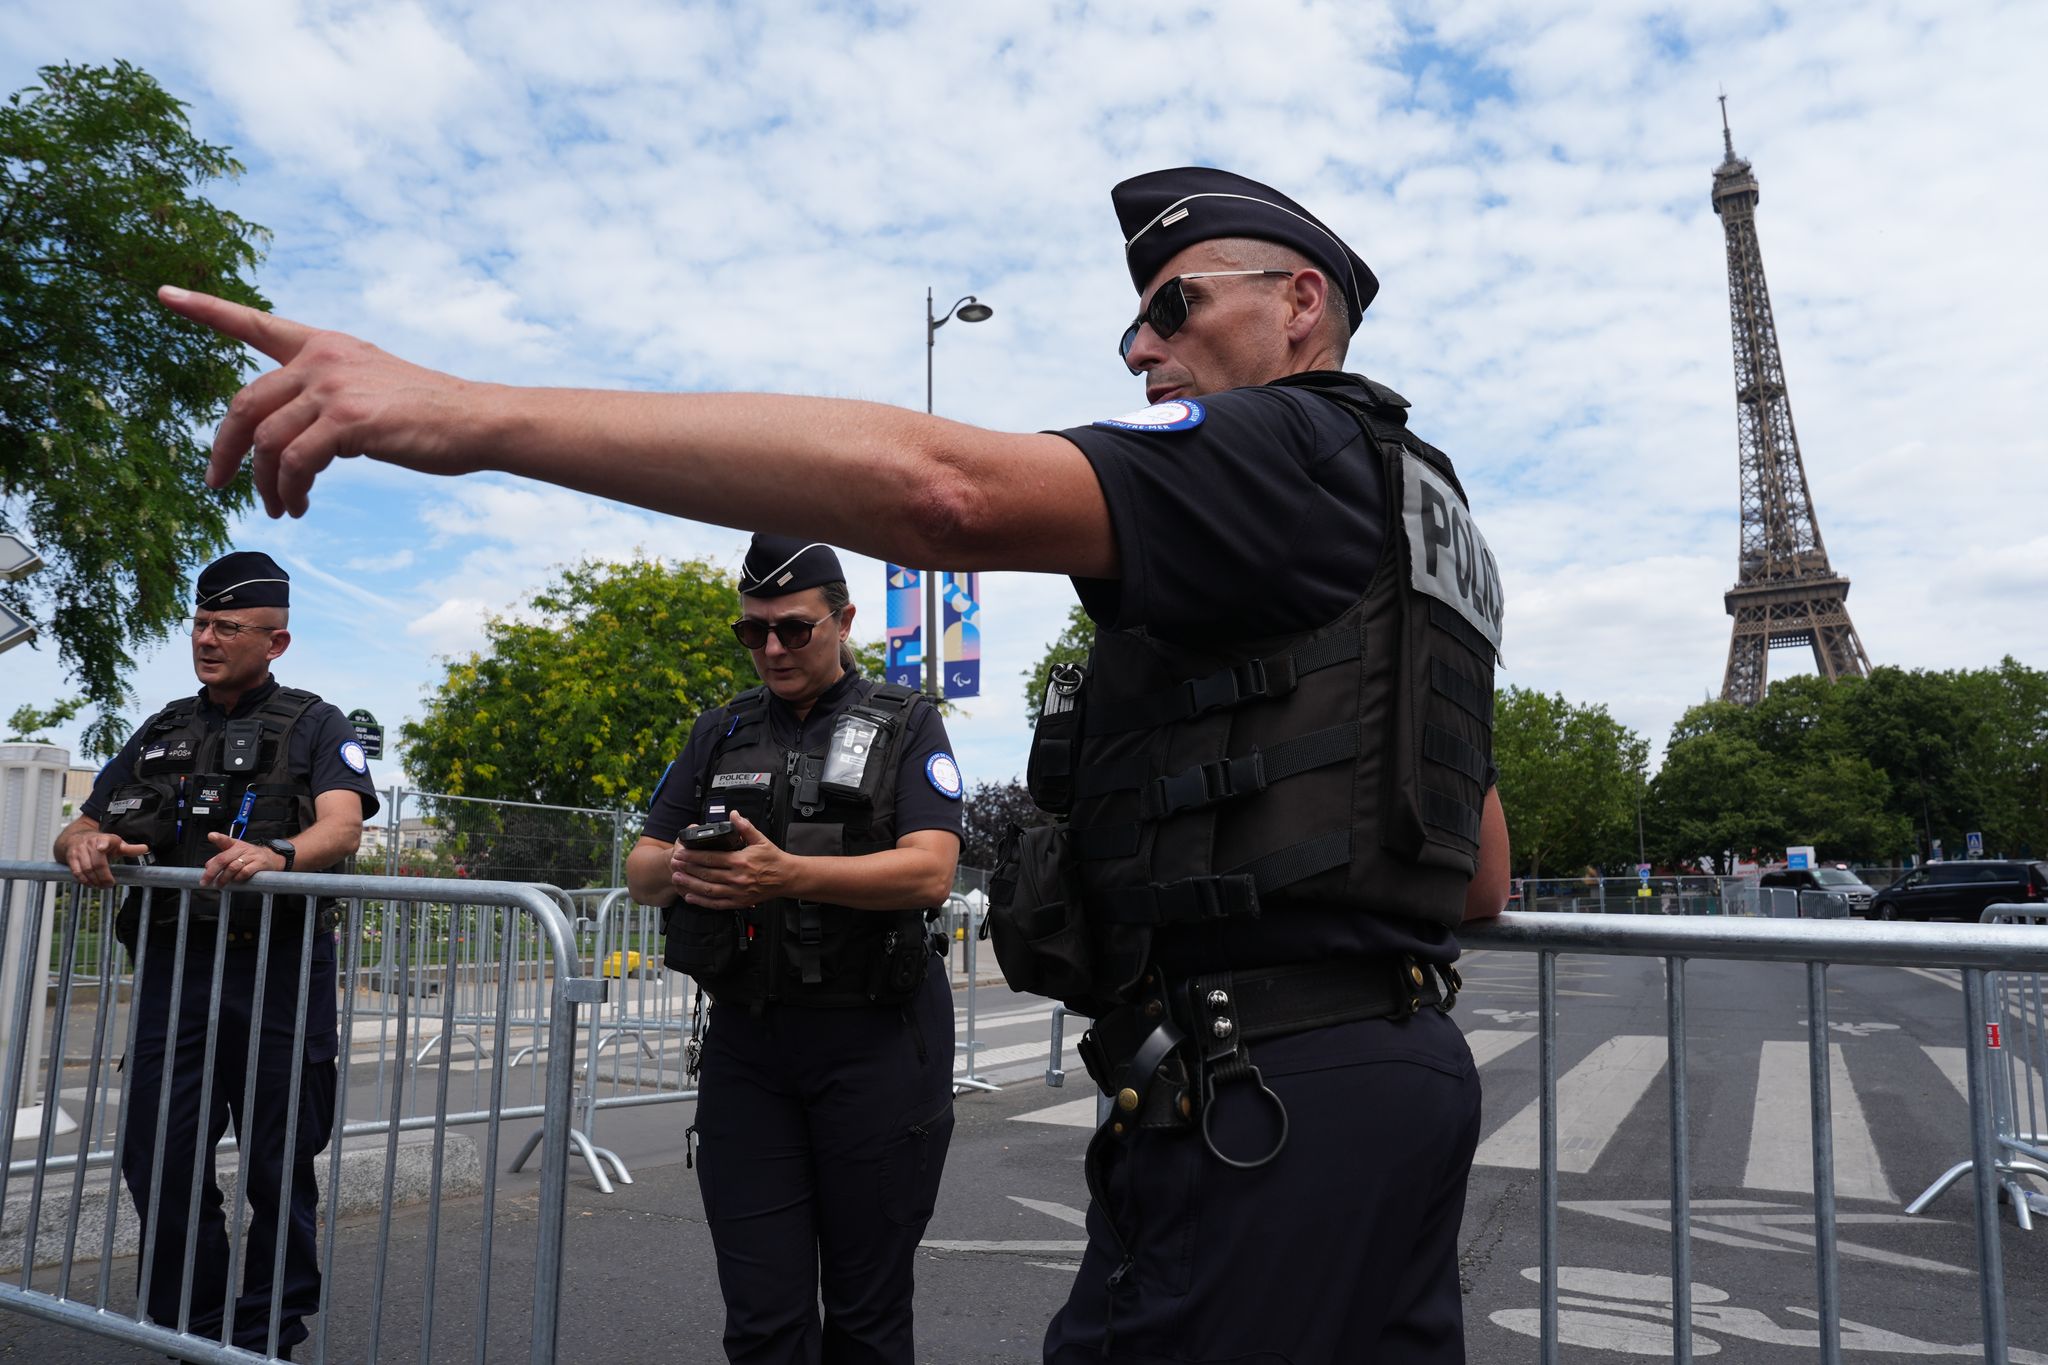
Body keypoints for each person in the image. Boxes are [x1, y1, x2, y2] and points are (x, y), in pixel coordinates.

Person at [161, 161, 1512, 1362]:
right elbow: (1473, 875)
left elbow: (941, 493)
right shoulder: (1422, 518)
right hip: (1389, 1079)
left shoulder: (1286, 448)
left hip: (1255, 1103)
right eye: (1133, 319)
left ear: (1301, 305)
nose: (1140, 349)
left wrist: (459, 415)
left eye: (1174, 306)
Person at [623, 533, 964, 1365]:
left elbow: (929, 870)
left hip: (877, 1046)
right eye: (753, 631)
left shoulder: (909, 722)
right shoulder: (721, 729)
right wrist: (683, 864)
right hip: (751, 1052)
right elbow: (639, 867)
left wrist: (784, 873)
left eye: (794, 628)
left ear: (843, 620)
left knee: (867, 1316)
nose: (771, 647)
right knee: (763, 1319)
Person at [52, 551, 376, 1359]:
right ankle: (190, 1329)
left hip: (280, 970)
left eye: (227, 626)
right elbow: (75, 824)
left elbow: (342, 824)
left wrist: (280, 856)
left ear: (277, 641)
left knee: (279, 1161)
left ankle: (267, 1331)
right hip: (175, 968)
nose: (206, 637)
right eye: (200, 622)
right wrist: (85, 844)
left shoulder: (316, 724)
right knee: (156, 1156)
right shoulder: (162, 727)